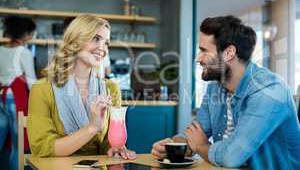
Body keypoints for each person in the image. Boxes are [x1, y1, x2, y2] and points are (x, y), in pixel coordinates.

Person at [151, 16, 300, 169]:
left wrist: (201, 146)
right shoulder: (215, 89)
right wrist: (173, 147)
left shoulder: (269, 90)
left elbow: (231, 156)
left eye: (204, 51)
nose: (198, 59)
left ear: (229, 52)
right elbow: (195, 134)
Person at [27, 14, 136, 159]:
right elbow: (42, 148)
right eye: (96, 39)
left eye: (106, 43)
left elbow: (106, 144)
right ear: (75, 41)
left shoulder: (111, 89)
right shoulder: (42, 89)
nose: (103, 49)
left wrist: (115, 149)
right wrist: (92, 128)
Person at [0, 16, 37, 170]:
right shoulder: (24, 52)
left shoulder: (0, 49)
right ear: (26, 33)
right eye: (32, 33)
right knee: (18, 146)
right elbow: (31, 82)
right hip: (15, 99)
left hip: (1, 96)